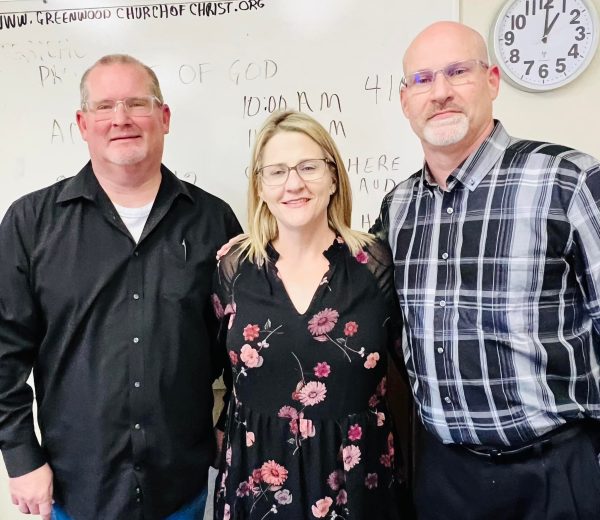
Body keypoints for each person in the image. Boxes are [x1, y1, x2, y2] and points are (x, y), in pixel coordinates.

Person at [371, 21, 600, 519]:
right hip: (445, 476)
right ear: (404, 99)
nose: (441, 92)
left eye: (458, 72)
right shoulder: (398, 208)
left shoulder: (571, 180)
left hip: (557, 474)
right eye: (422, 79)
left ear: (493, 80)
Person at [0, 54, 241, 520]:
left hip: (182, 488)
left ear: (164, 117)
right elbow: (4, 354)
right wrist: (21, 457)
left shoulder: (215, 221)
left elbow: (241, 344)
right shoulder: (30, 223)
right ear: (82, 123)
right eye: (105, 107)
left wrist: (229, 425)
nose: (121, 119)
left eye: (137, 103)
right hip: (75, 488)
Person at [210, 110, 408, 519]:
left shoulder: (374, 265)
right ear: (260, 186)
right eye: (277, 171)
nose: (294, 183)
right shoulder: (232, 267)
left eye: (308, 167)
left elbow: (414, 370)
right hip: (257, 481)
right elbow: (211, 369)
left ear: (333, 177)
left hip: (359, 481)